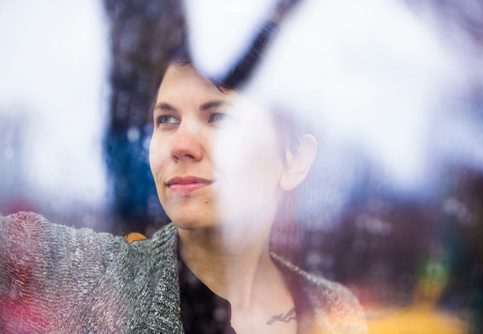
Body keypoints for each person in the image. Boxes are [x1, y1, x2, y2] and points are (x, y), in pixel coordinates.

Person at [0, 50, 366, 333]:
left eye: (219, 116)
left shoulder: (335, 310)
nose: (181, 145)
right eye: (167, 119)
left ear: (294, 158)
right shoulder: (102, 281)